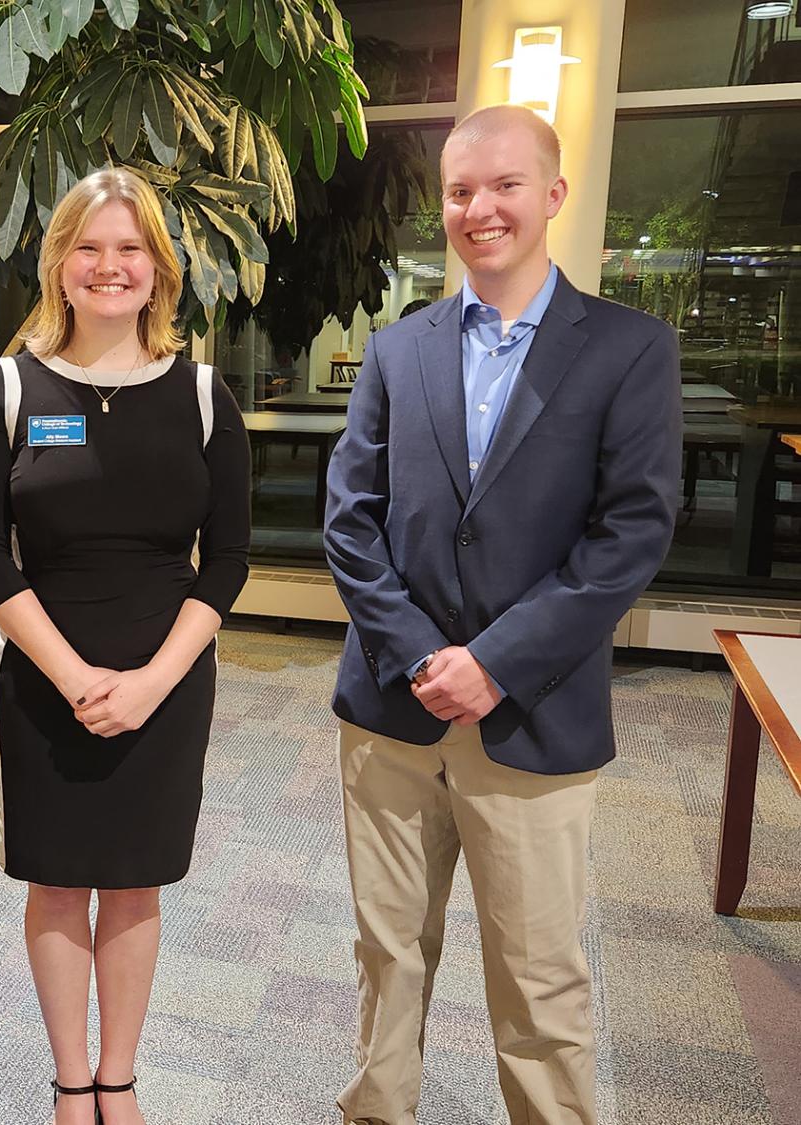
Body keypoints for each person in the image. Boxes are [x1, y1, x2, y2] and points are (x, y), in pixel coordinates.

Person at [323, 103, 681, 1125]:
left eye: (505, 186)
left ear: (554, 195)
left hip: (534, 718)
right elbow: (351, 523)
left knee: (538, 980)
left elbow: (630, 537)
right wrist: (422, 652)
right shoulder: (399, 351)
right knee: (387, 956)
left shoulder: (627, 349)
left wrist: (495, 663)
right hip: (390, 715)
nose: (481, 209)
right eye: (461, 190)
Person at [0, 167, 251, 1125]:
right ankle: (69, 1085)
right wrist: (77, 676)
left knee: (133, 883)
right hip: (45, 680)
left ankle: (118, 1081)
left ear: (159, 269)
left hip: (167, 681)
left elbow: (228, 563)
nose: (109, 266)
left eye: (130, 248)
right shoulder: (5, 387)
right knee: (56, 880)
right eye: (89, 246)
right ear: (59, 265)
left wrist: (155, 682)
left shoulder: (204, 396)